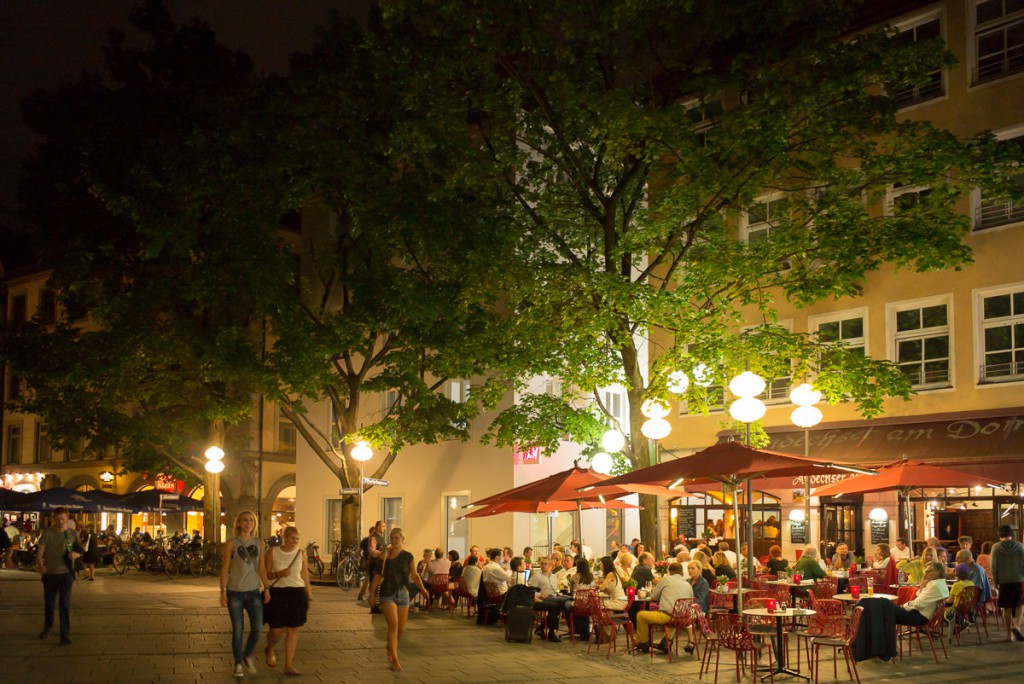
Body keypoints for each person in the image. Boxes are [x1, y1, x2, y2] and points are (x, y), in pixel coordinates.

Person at [369, 527, 429, 671]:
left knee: (401, 629)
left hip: (403, 594)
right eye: (392, 538)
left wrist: (423, 590)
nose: (394, 541)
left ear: (402, 540)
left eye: (397, 538)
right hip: (387, 594)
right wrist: (371, 594)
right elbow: (377, 575)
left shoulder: (408, 556)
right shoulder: (384, 555)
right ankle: (395, 659)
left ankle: (390, 646)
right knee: (394, 624)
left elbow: (414, 575)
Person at [220, 510, 271, 679]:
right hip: (234, 591)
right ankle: (238, 663)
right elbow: (225, 568)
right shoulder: (231, 543)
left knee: (257, 627)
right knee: (238, 630)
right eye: (245, 520)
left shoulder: (259, 543)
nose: (249, 523)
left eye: (251, 520)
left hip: (253, 591)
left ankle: (247, 654)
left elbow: (261, 567)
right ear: (239, 524)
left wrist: (267, 587)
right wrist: (222, 591)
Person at [262, 525, 312, 676]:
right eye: (292, 538)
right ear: (285, 537)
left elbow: (305, 577)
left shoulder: (301, 553)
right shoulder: (273, 552)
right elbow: (266, 574)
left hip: (297, 593)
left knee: (293, 630)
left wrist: (309, 596)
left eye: (297, 539)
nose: (294, 542)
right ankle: (270, 647)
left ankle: (288, 665)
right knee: (277, 631)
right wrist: (280, 573)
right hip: (278, 593)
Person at [35, 507, 83, 645]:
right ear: (53, 519)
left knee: (65, 604)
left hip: (66, 574)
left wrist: (75, 554)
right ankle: (48, 627)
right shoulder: (47, 534)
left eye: (63, 519)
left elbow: (80, 550)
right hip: (50, 574)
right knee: (49, 603)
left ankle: (64, 634)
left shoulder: (73, 534)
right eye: (58, 519)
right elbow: (40, 552)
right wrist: (40, 564)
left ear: (67, 519)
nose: (60, 522)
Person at [634, 562, 694, 653]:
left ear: (670, 572)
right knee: (673, 613)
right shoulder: (688, 584)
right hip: (683, 618)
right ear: (682, 573)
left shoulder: (666, 580)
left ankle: (642, 642)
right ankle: (667, 642)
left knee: (640, 615)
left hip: (668, 617)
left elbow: (654, 596)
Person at [990, 524, 1024, 642]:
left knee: (1006, 607)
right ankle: (1017, 627)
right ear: (1011, 534)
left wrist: (996, 580)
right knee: (1020, 604)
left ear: (999, 535)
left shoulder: (996, 547)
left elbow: (993, 566)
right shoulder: (1019, 546)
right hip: (1019, 579)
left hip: (1004, 581)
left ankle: (1009, 635)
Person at [893, 562, 950, 626]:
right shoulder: (940, 583)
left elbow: (919, 603)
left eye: (928, 571)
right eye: (925, 571)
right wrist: (922, 586)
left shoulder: (934, 585)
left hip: (920, 617)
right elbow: (920, 597)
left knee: (888, 608)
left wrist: (903, 607)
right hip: (921, 613)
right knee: (888, 610)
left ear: (937, 572)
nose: (925, 574)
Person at [528, 557, 568, 641]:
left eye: (545, 564)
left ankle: (544, 629)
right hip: (543, 598)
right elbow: (532, 591)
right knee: (562, 602)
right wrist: (541, 595)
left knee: (569, 599)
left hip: (554, 596)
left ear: (550, 565)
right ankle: (551, 632)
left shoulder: (554, 576)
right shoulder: (537, 576)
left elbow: (556, 588)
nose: (543, 566)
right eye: (542, 564)